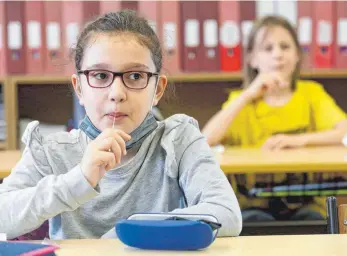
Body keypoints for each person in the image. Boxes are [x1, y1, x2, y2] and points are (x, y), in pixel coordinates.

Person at [0, 10, 242, 239]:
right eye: (100, 76)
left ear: (157, 89)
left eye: (135, 76)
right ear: (79, 88)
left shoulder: (178, 140)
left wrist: (126, 233)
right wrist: (79, 179)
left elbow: (226, 213)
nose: (117, 93)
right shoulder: (51, 151)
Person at [202, 15, 347, 221]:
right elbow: (205, 140)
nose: (277, 54)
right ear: (252, 58)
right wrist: (247, 95)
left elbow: (344, 132)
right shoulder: (240, 101)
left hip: (307, 203)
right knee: (256, 222)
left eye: (285, 46)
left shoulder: (312, 94)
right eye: (267, 48)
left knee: (312, 221)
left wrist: (296, 141)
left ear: (297, 54)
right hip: (252, 205)